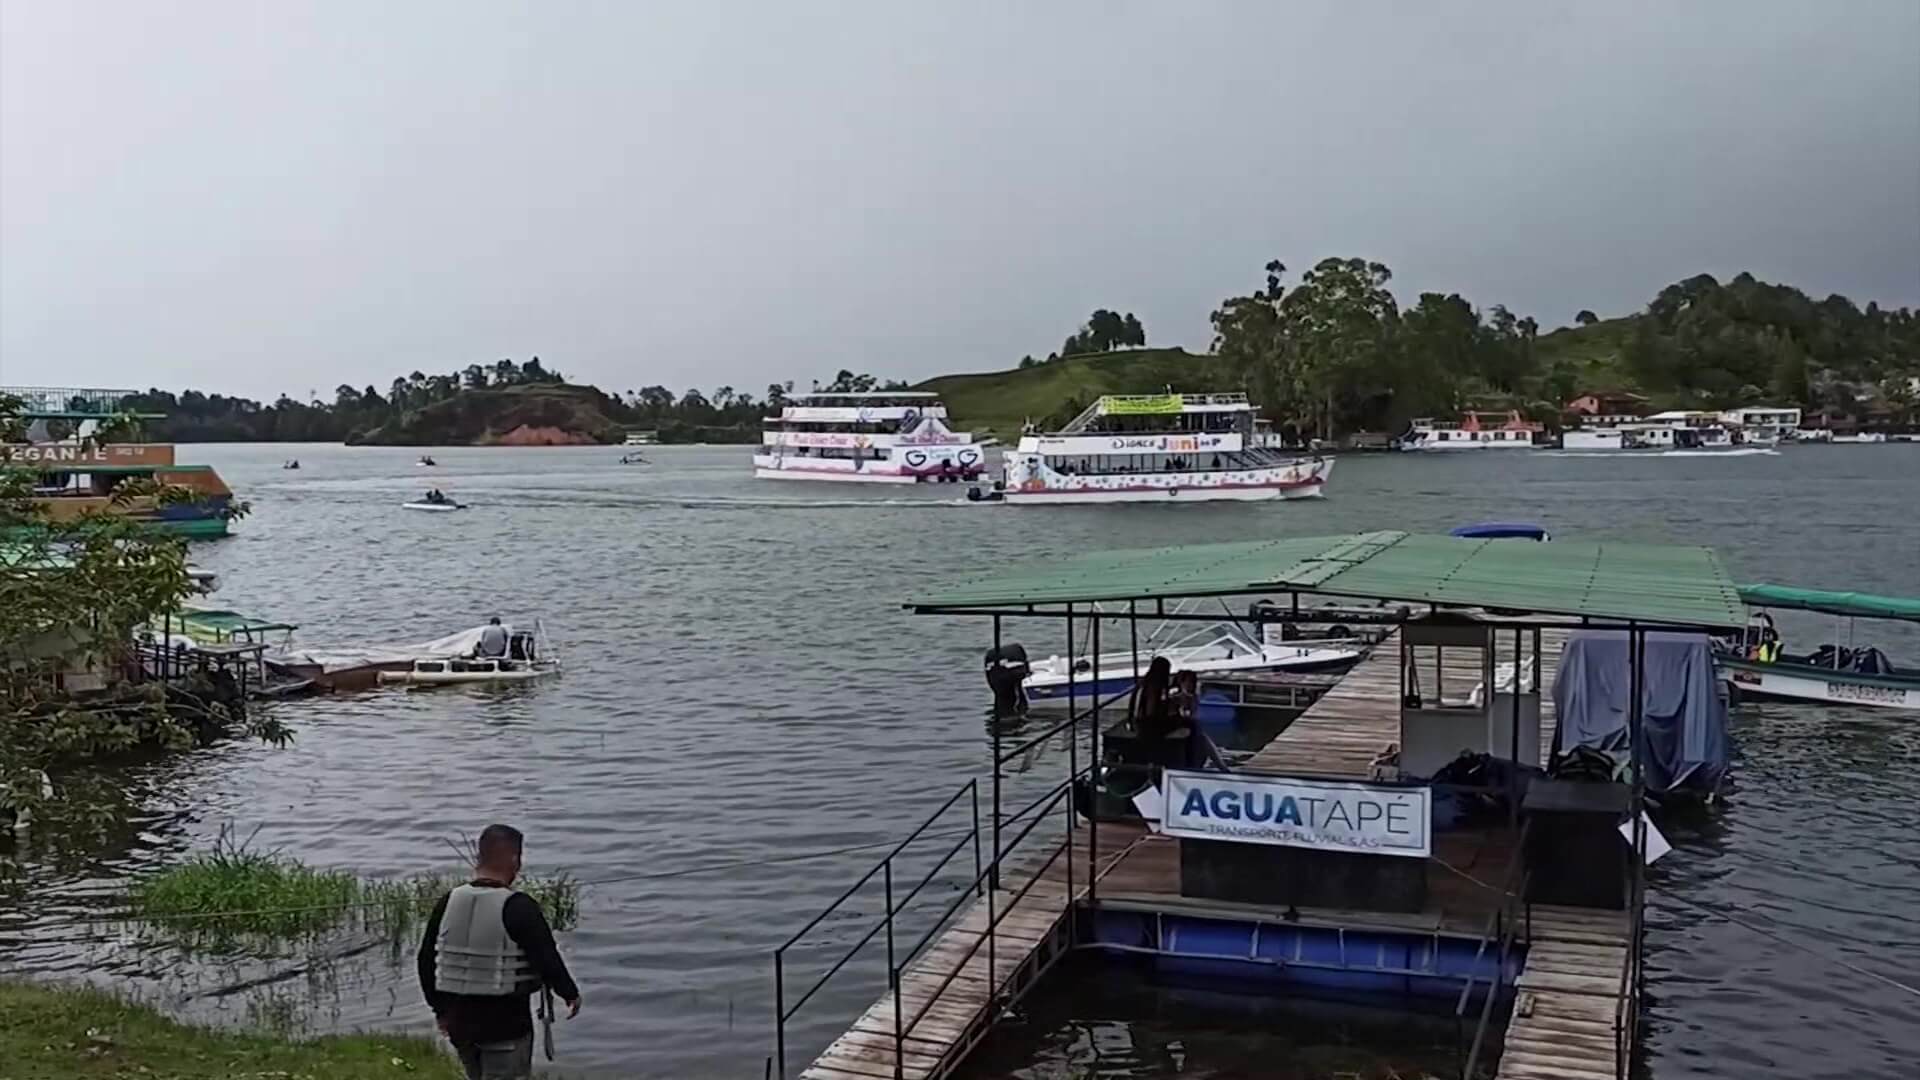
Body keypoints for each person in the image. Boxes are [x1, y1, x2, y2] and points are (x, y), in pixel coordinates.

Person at [418, 824, 580, 1080]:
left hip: (460, 1024)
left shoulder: (448, 901)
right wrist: (569, 993)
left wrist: (440, 1010)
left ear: (479, 857)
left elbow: (426, 960)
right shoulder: (519, 907)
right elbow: (546, 958)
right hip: (505, 1026)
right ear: (514, 859)